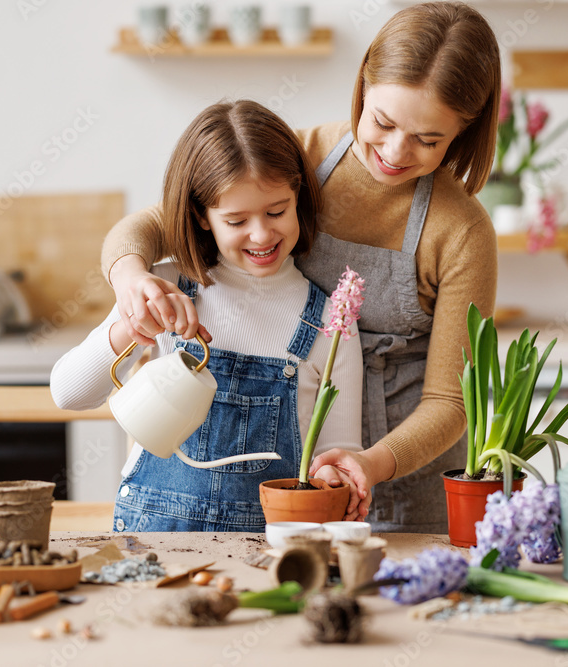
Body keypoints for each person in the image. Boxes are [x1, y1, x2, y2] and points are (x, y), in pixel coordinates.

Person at [99, 2, 499, 533]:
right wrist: (130, 277)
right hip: (296, 476)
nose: (396, 152)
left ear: (464, 132)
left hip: (406, 470)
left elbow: (452, 401)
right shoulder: (302, 157)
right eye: (382, 121)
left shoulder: (463, 230)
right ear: (362, 85)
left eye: (430, 140)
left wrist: (370, 463)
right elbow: (151, 225)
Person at [50, 100, 363, 533]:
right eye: (236, 220)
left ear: (298, 198)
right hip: (152, 545)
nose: (261, 234)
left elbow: (340, 450)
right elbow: (67, 392)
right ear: (202, 215)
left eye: (277, 211)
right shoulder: (165, 286)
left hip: (269, 559)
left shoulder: (330, 319)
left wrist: (337, 479)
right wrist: (132, 327)